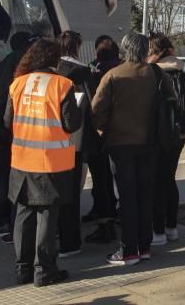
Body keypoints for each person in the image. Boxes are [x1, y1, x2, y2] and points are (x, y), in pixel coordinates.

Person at [4, 38, 81, 287]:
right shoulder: (63, 84)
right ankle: (44, 270)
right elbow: (71, 124)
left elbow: (7, 121)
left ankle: (22, 269)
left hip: (22, 160)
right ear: (54, 59)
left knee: (24, 213)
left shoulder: (18, 84)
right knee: (47, 216)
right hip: (50, 162)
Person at [91, 33, 162, 267]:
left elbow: (96, 111)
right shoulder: (156, 74)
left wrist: (103, 130)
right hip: (150, 142)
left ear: (124, 49)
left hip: (120, 144)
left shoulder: (113, 76)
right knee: (146, 196)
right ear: (145, 49)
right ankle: (144, 246)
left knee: (127, 197)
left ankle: (129, 249)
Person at [0, 31, 34, 242]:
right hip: (19, 134)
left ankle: (3, 220)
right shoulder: (28, 67)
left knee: (2, 178)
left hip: (0, 134)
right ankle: (14, 222)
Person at [148, 35, 185, 247]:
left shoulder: (152, 74)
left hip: (156, 137)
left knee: (157, 182)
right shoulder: (184, 75)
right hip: (178, 137)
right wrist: (183, 132)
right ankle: (172, 228)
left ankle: (157, 231)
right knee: (169, 178)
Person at [54, 31, 93, 259]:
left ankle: (54, 232)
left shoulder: (53, 72)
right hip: (75, 140)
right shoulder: (82, 72)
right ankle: (71, 240)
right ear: (78, 46)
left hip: (47, 142)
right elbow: (93, 103)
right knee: (72, 193)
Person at [83, 37, 120, 243]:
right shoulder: (122, 70)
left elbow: (95, 106)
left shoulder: (94, 72)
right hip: (119, 133)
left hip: (99, 133)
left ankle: (104, 220)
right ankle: (113, 213)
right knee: (116, 176)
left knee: (101, 178)